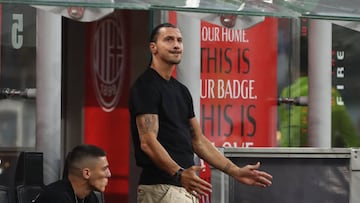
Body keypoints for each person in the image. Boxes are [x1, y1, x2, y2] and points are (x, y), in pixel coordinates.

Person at [129, 22, 273, 203]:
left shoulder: (181, 91)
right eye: (168, 39)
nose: (176, 45)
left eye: (179, 40)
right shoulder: (146, 86)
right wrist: (179, 174)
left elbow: (198, 141)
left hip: (183, 188)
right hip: (162, 188)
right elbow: (148, 142)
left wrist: (235, 171)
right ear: (153, 48)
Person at [34, 144, 111, 203]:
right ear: (86, 173)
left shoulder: (90, 197)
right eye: (104, 169)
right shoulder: (56, 197)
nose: (109, 174)